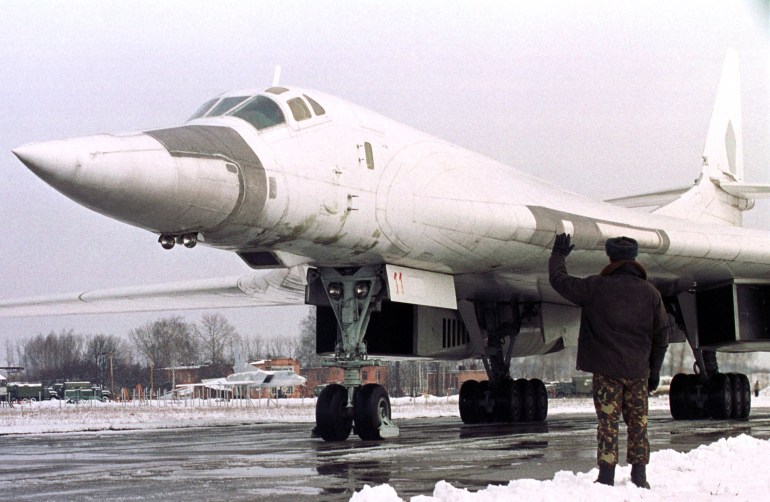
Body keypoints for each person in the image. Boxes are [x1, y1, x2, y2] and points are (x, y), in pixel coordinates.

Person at [549, 233, 669, 488]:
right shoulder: (651, 294)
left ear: (610, 257)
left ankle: (606, 478)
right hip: (638, 372)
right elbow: (662, 336)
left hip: (606, 372)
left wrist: (558, 256)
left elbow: (560, 281)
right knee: (638, 424)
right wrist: (654, 370)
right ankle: (639, 477)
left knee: (608, 424)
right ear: (634, 259)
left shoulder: (596, 287)